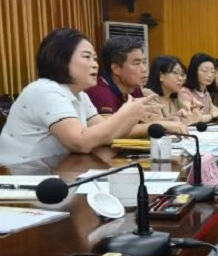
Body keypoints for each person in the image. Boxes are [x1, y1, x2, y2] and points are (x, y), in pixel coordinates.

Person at [0, 28, 160, 166]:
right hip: (18, 176)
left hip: (56, 171)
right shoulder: (46, 90)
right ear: (61, 59)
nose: (95, 64)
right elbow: (80, 143)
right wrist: (126, 113)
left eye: (95, 58)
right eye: (86, 57)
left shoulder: (80, 95)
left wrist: (133, 115)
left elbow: (107, 132)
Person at [85, 35, 149, 114]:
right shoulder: (99, 92)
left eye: (144, 62)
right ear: (116, 68)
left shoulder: (133, 87)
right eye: (137, 63)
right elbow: (108, 122)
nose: (144, 69)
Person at [142, 56, 194, 124]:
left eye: (182, 75)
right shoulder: (148, 95)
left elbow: (189, 119)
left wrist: (194, 109)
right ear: (161, 76)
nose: (180, 79)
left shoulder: (175, 98)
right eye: (175, 73)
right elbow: (155, 124)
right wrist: (173, 118)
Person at [179, 53, 218, 123]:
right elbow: (191, 119)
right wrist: (211, 116)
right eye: (205, 71)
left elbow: (217, 112)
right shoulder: (185, 92)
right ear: (194, 71)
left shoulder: (206, 93)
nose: (210, 75)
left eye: (212, 71)